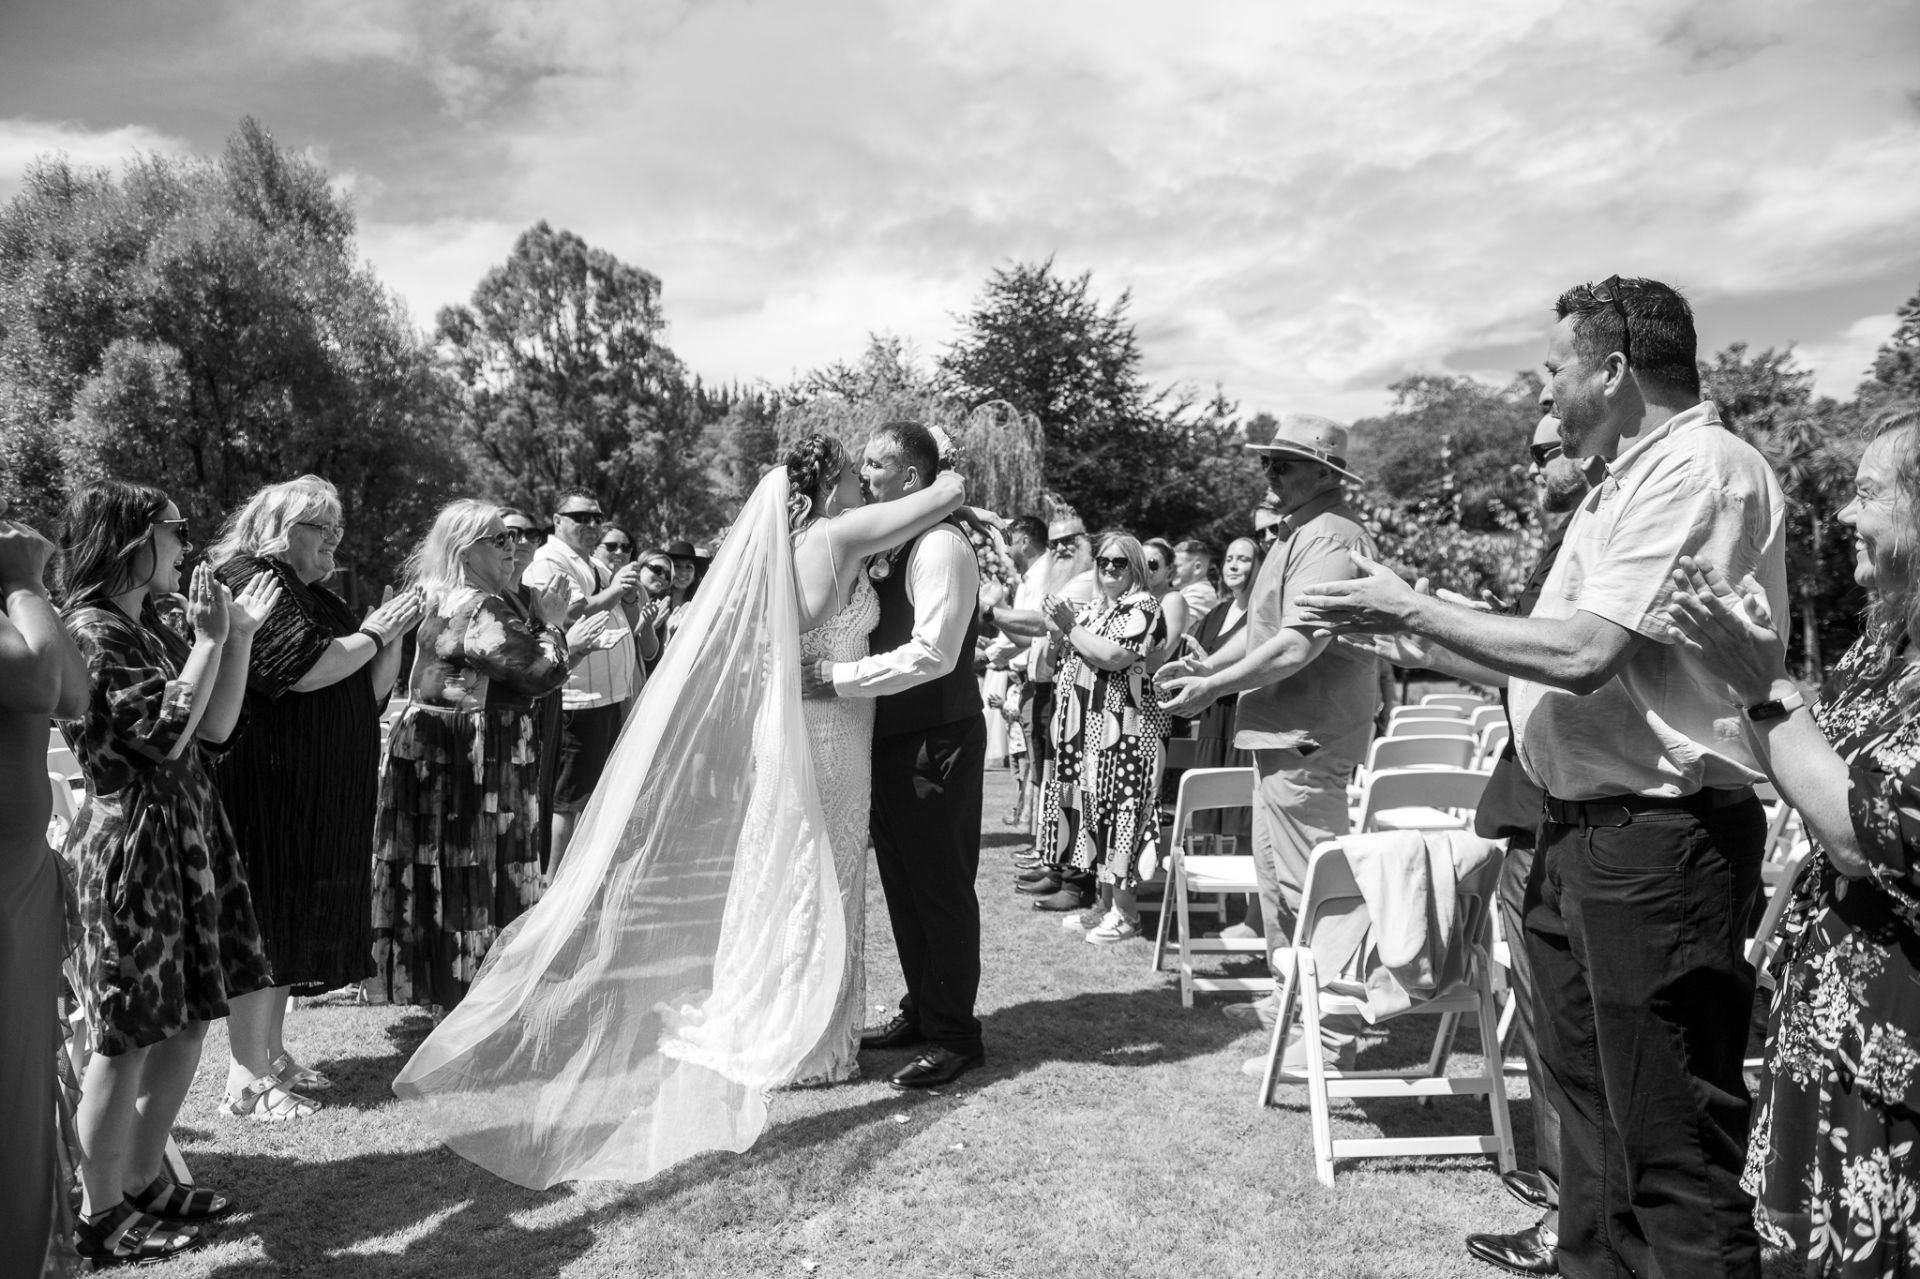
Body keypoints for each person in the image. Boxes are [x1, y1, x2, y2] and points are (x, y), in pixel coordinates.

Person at [1296, 277, 1785, 1279]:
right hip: (1581, 829)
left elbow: (1585, 653)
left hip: (1658, 841)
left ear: (1614, 369)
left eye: (1556, 366)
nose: (1545, 388)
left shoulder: (1696, 469)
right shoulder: (1620, 480)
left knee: (1674, 1144)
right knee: (1592, 1117)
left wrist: (1415, 607)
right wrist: (1401, 628)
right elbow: (1540, 657)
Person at [391, 447, 967, 1188]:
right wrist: (948, 465)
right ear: (830, 486)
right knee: (821, 869)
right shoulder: (838, 534)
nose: (864, 482)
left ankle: (787, 1010)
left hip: (802, 724)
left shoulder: (788, 546)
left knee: (787, 864)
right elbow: (941, 496)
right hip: (827, 729)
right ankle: (811, 1035)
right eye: (855, 475)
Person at [1666, 405, 1920, 1279]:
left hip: (1896, 1050)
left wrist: (1765, 686)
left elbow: (1856, 833)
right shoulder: (1888, 641)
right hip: (1832, 1032)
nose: (1844, 513)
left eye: (1867, 494)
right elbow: (1809, 773)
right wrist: (1742, 673)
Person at [1356, 417, 1598, 1276]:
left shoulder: (1605, 534)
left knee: (1565, 1032)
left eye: (1547, 446)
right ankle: (1566, 1186)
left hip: (1564, 809)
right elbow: (1520, 664)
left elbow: (1560, 660)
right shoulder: (1573, 533)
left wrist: (1427, 622)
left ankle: (1572, 1211)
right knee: (1551, 1028)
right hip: (1537, 806)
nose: (1533, 464)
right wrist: (1430, 638)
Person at [56, 481, 280, 1265]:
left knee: (187, 1020)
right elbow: (157, 735)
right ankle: (99, 1211)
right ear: (129, 539)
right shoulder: (91, 631)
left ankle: (142, 1177)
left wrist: (235, 638)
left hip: (183, 835)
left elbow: (211, 730)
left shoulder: (146, 624)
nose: (189, 543)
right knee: (126, 1036)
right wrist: (209, 641)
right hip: (133, 849)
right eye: (175, 529)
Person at [1156, 412, 1382, 1074]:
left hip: (1308, 739)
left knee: (1316, 889)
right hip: (1284, 738)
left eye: (1283, 464)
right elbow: (1265, 634)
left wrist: (1212, 686)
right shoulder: (1298, 533)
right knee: (1280, 887)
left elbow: (1298, 644)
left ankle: (1331, 1040)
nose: (1269, 473)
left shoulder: (1331, 536)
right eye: (1268, 462)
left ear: (1324, 474)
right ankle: (1292, 1012)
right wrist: (1206, 667)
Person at [205, 476, 425, 1115]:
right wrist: (375, 634)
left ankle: (272, 1054)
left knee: (291, 925)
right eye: (320, 526)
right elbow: (304, 671)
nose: (334, 538)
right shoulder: (251, 578)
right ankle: (246, 1078)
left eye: (337, 527)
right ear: (278, 528)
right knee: (267, 922)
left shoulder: (317, 596)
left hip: (314, 794)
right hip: (268, 787)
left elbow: (367, 691)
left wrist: (392, 637)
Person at [803, 421, 989, 1090]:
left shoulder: (940, 545)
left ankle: (955, 1036)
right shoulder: (896, 540)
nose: (865, 475)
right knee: (904, 885)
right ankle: (924, 1008)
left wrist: (838, 678)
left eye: (877, 465)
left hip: (936, 738)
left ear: (912, 477)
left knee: (938, 883)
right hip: (892, 737)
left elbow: (934, 652)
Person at [370, 501, 571, 1011]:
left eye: (513, 537)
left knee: (440, 868)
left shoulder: (437, 597)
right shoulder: (481, 607)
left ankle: (446, 990)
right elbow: (541, 674)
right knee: (474, 869)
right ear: (464, 550)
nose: (513, 548)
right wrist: (552, 624)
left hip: (434, 747)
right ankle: (473, 996)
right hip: (474, 757)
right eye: (498, 539)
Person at [0, 497, 88, 1279]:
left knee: (21, 1083)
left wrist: (26, 591)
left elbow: (72, 692)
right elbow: (34, 681)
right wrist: (25, 576)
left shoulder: (13, 606)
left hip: (19, 880)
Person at [1037, 531, 1170, 942]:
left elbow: (1113, 657)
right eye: (1103, 561)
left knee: (1122, 815)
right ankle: (1105, 906)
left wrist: (1069, 626)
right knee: (1096, 815)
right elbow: (1062, 656)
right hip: (1088, 733)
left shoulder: (1144, 606)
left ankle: (1127, 915)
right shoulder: (1095, 608)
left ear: (1136, 567)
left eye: (1120, 562)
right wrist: (1057, 633)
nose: (1110, 568)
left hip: (1126, 731)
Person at [523, 492, 643, 870]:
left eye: (597, 517)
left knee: (593, 798)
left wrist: (628, 595)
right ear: (557, 520)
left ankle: (579, 879)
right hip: (579, 698)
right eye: (581, 517)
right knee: (568, 801)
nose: (591, 524)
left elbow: (626, 618)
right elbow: (572, 613)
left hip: (608, 696)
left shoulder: (592, 563)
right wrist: (616, 588)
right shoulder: (550, 561)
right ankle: (552, 886)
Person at [501, 508, 565, 871]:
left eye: (531, 534)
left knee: (542, 804)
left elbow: (552, 666)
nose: (522, 542)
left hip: (546, 714)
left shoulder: (534, 596)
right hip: (512, 724)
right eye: (511, 533)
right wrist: (556, 629)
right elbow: (528, 669)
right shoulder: (491, 600)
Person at [1141, 537, 1192, 669]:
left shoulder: (1172, 600)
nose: (1144, 569)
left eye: (1152, 564)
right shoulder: (1136, 600)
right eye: (1139, 562)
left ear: (1169, 569)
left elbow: (1161, 654)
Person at [1170, 538, 1220, 616]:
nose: (1171, 570)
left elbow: (1172, 622)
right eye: (1171, 566)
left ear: (1197, 567)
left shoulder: (1200, 595)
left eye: (1177, 566)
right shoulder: (1192, 592)